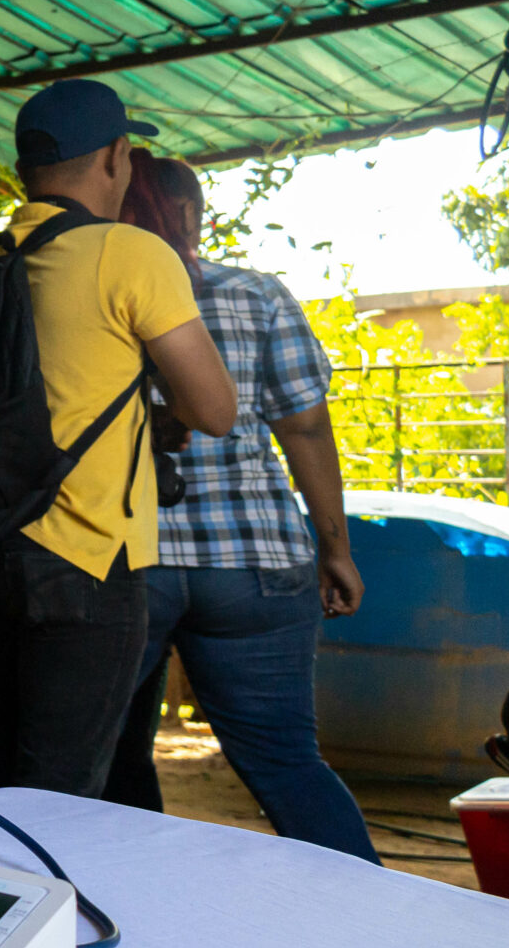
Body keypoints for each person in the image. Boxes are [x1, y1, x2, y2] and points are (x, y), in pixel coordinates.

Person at [0, 80, 238, 798]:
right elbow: (215, 408)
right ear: (117, 156)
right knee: (63, 794)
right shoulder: (130, 253)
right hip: (88, 561)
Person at [102, 156, 377, 860]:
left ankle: (131, 898)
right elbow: (305, 428)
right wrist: (336, 548)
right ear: (194, 216)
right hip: (255, 562)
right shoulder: (257, 294)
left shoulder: (93, 287)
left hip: (129, 561)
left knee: (108, 760)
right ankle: (377, 903)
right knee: (287, 762)